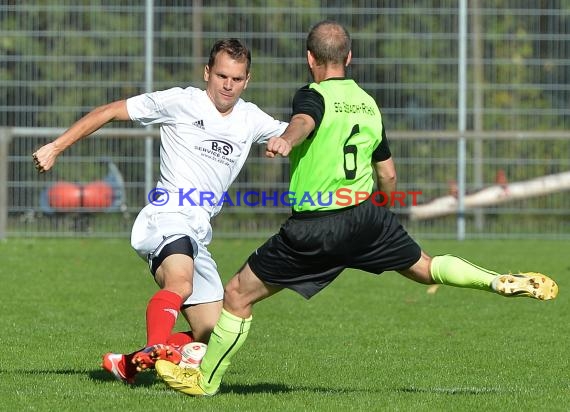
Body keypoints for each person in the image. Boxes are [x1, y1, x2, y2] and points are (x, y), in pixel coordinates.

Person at [154, 21, 559, 396]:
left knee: (237, 294)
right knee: (425, 266)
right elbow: (388, 173)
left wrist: (288, 141)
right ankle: (497, 280)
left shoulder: (311, 94)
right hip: (367, 215)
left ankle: (205, 382)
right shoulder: (368, 104)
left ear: (310, 59)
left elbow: (304, 120)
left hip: (315, 227)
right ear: (348, 59)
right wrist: (382, 212)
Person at [32, 39, 288, 384]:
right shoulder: (181, 101)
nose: (228, 85)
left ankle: (131, 362)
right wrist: (56, 147)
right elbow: (110, 110)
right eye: (222, 76)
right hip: (168, 216)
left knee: (210, 332)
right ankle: (155, 347)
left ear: (247, 79)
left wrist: (287, 140)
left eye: (237, 79)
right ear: (207, 72)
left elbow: (296, 133)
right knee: (180, 282)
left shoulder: (251, 118)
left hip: (198, 231)